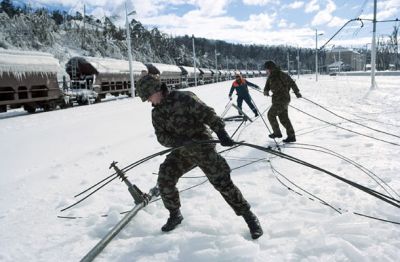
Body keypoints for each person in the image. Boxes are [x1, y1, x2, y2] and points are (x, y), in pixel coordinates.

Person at [136, 74, 263, 239]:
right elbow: (161, 137)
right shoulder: (156, 113)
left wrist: (221, 131)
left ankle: (249, 217)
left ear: (156, 90)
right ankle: (175, 214)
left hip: (202, 147)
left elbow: (208, 114)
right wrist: (178, 141)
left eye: (148, 97)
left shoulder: (184, 98)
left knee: (222, 181)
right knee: (165, 177)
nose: (149, 102)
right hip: (182, 151)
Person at [263, 60, 302, 143]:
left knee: (271, 114)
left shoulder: (281, 74)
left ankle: (277, 133)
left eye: (267, 69)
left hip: (283, 99)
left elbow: (292, 83)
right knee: (283, 119)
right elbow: (267, 87)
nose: (266, 71)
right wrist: (266, 91)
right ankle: (291, 136)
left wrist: (297, 92)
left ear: (271, 68)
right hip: (276, 99)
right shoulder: (270, 77)